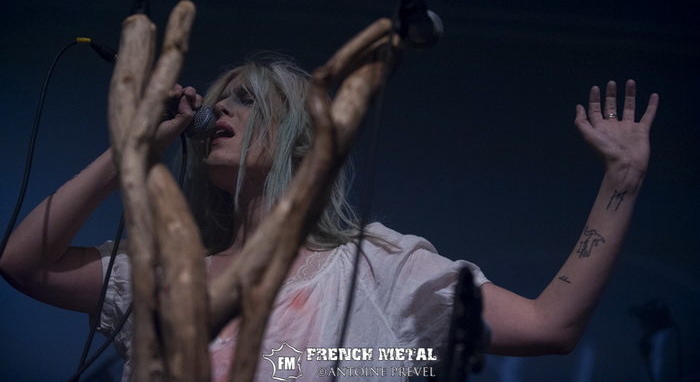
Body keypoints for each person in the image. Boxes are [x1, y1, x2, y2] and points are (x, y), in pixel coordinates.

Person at [0, 53, 658, 381]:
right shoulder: (167, 275)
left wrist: (621, 181)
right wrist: (133, 148)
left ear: (299, 138)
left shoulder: (376, 268)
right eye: (220, 99)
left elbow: (549, 324)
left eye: (246, 99)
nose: (220, 109)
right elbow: (24, 263)